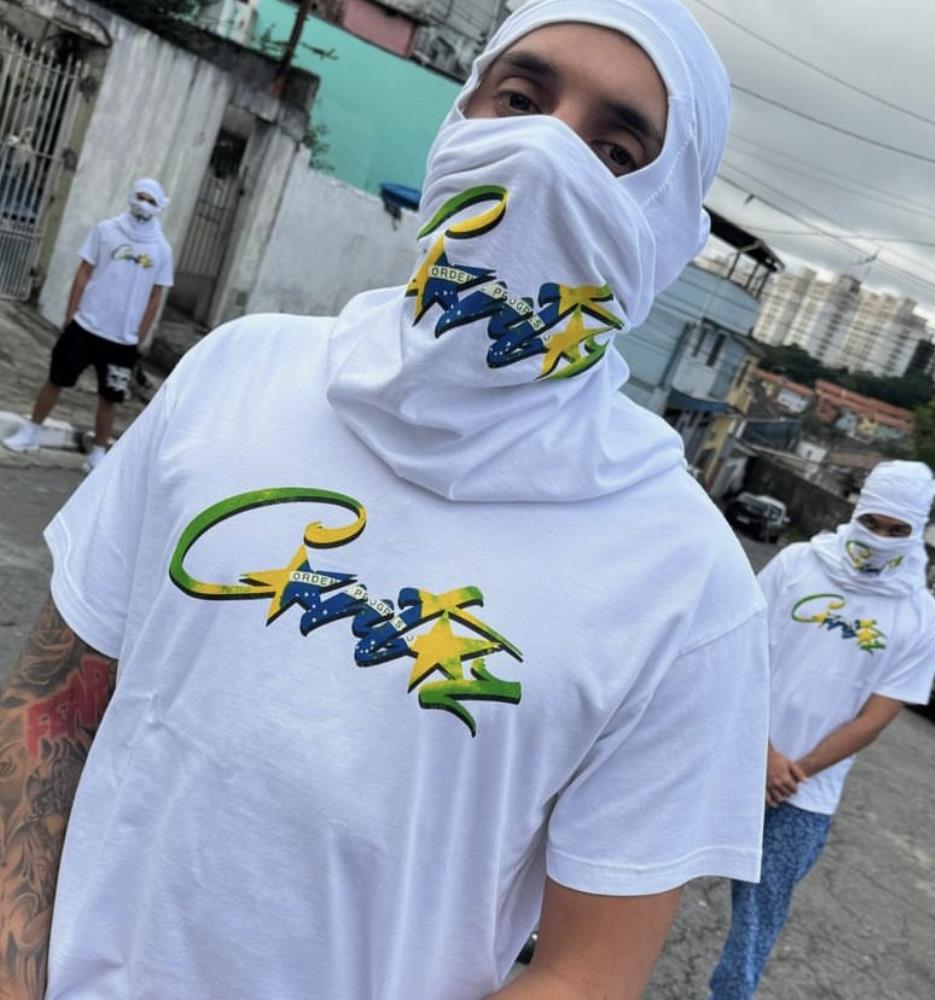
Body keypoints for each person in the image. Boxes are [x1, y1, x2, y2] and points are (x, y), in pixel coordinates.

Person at [0, 3, 771, 998]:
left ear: (667, 234)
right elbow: (51, 703)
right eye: (520, 100)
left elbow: (587, 972)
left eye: (616, 151)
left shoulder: (687, 587)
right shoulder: (235, 372)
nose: (541, 156)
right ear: (460, 116)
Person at [708, 460, 935, 1000]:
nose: (880, 538)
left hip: (804, 797)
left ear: (918, 532)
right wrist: (763, 752)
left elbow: (874, 719)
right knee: (646, 873)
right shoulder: (799, 565)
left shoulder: (923, 618)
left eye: (897, 530)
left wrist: (793, 771)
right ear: (856, 513)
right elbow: (743, 652)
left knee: (756, 923)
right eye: (873, 523)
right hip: (729, 758)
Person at [2, 177, 173, 471]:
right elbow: (84, 271)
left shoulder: (161, 249)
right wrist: (71, 315)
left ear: (159, 206)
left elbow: (156, 295)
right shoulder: (106, 230)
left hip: (122, 339)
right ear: (131, 197)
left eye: (151, 200)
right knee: (56, 379)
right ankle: (31, 432)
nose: (144, 204)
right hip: (85, 326)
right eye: (140, 197)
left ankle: (98, 453)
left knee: (110, 397)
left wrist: (139, 336)